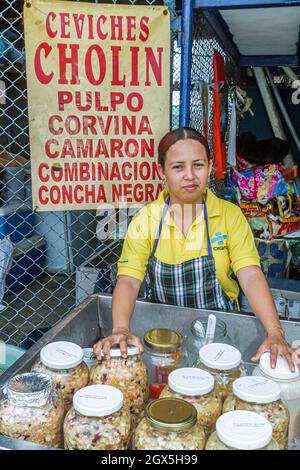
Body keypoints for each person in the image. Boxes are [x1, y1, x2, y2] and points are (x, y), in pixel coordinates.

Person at [94, 127, 295, 371]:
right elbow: (129, 280)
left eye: (198, 165)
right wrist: (121, 329)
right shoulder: (146, 220)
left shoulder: (229, 216)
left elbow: (250, 275)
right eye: (178, 167)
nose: (189, 175)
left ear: (210, 167)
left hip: (219, 336)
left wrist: (274, 332)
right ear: (162, 172)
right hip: (163, 340)